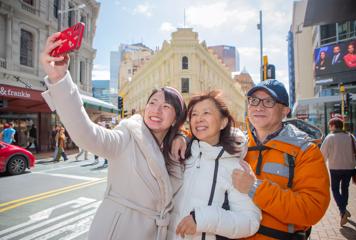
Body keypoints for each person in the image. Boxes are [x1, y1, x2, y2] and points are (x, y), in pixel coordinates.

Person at [40, 32, 187, 239]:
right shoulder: (127, 136)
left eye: (165, 106)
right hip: (118, 231)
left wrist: (183, 136)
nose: (156, 110)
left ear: (175, 119)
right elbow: (87, 134)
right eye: (152, 103)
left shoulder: (174, 150)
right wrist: (59, 79)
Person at [231, 79, 330, 240]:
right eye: (253, 100)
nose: (258, 107)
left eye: (268, 101)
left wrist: (255, 188)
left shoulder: (305, 151)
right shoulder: (236, 145)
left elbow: (312, 210)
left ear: (285, 110)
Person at [168, 91, 261, 239]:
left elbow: (250, 222)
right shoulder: (181, 154)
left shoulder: (235, 167)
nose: (199, 119)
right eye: (194, 114)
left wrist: (204, 219)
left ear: (223, 122)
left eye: (206, 113)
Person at [320, 118, 356, 227]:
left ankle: (343, 211)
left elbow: (322, 155)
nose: (329, 127)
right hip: (349, 168)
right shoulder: (350, 136)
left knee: (334, 189)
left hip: (335, 168)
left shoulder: (330, 137)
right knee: (345, 188)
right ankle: (344, 210)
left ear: (333, 125)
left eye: (330, 125)